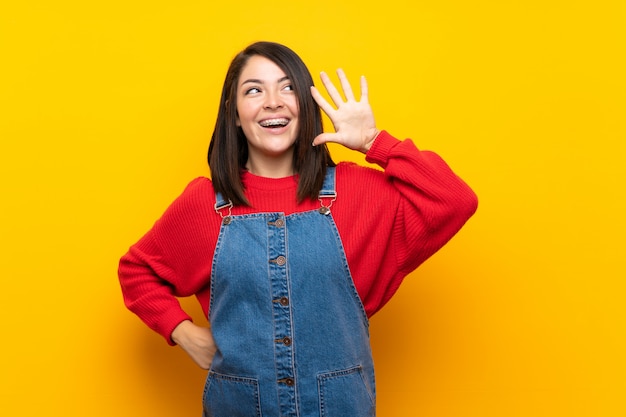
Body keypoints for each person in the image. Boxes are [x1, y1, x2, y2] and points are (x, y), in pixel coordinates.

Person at [118, 41, 478, 417]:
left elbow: (455, 200)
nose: (273, 101)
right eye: (254, 90)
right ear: (235, 115)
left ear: (306, 108)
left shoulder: (359, 193)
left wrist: (374, 143)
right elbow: (137, 271)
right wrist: (183, 332)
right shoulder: (204, 204)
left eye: (288, 87)